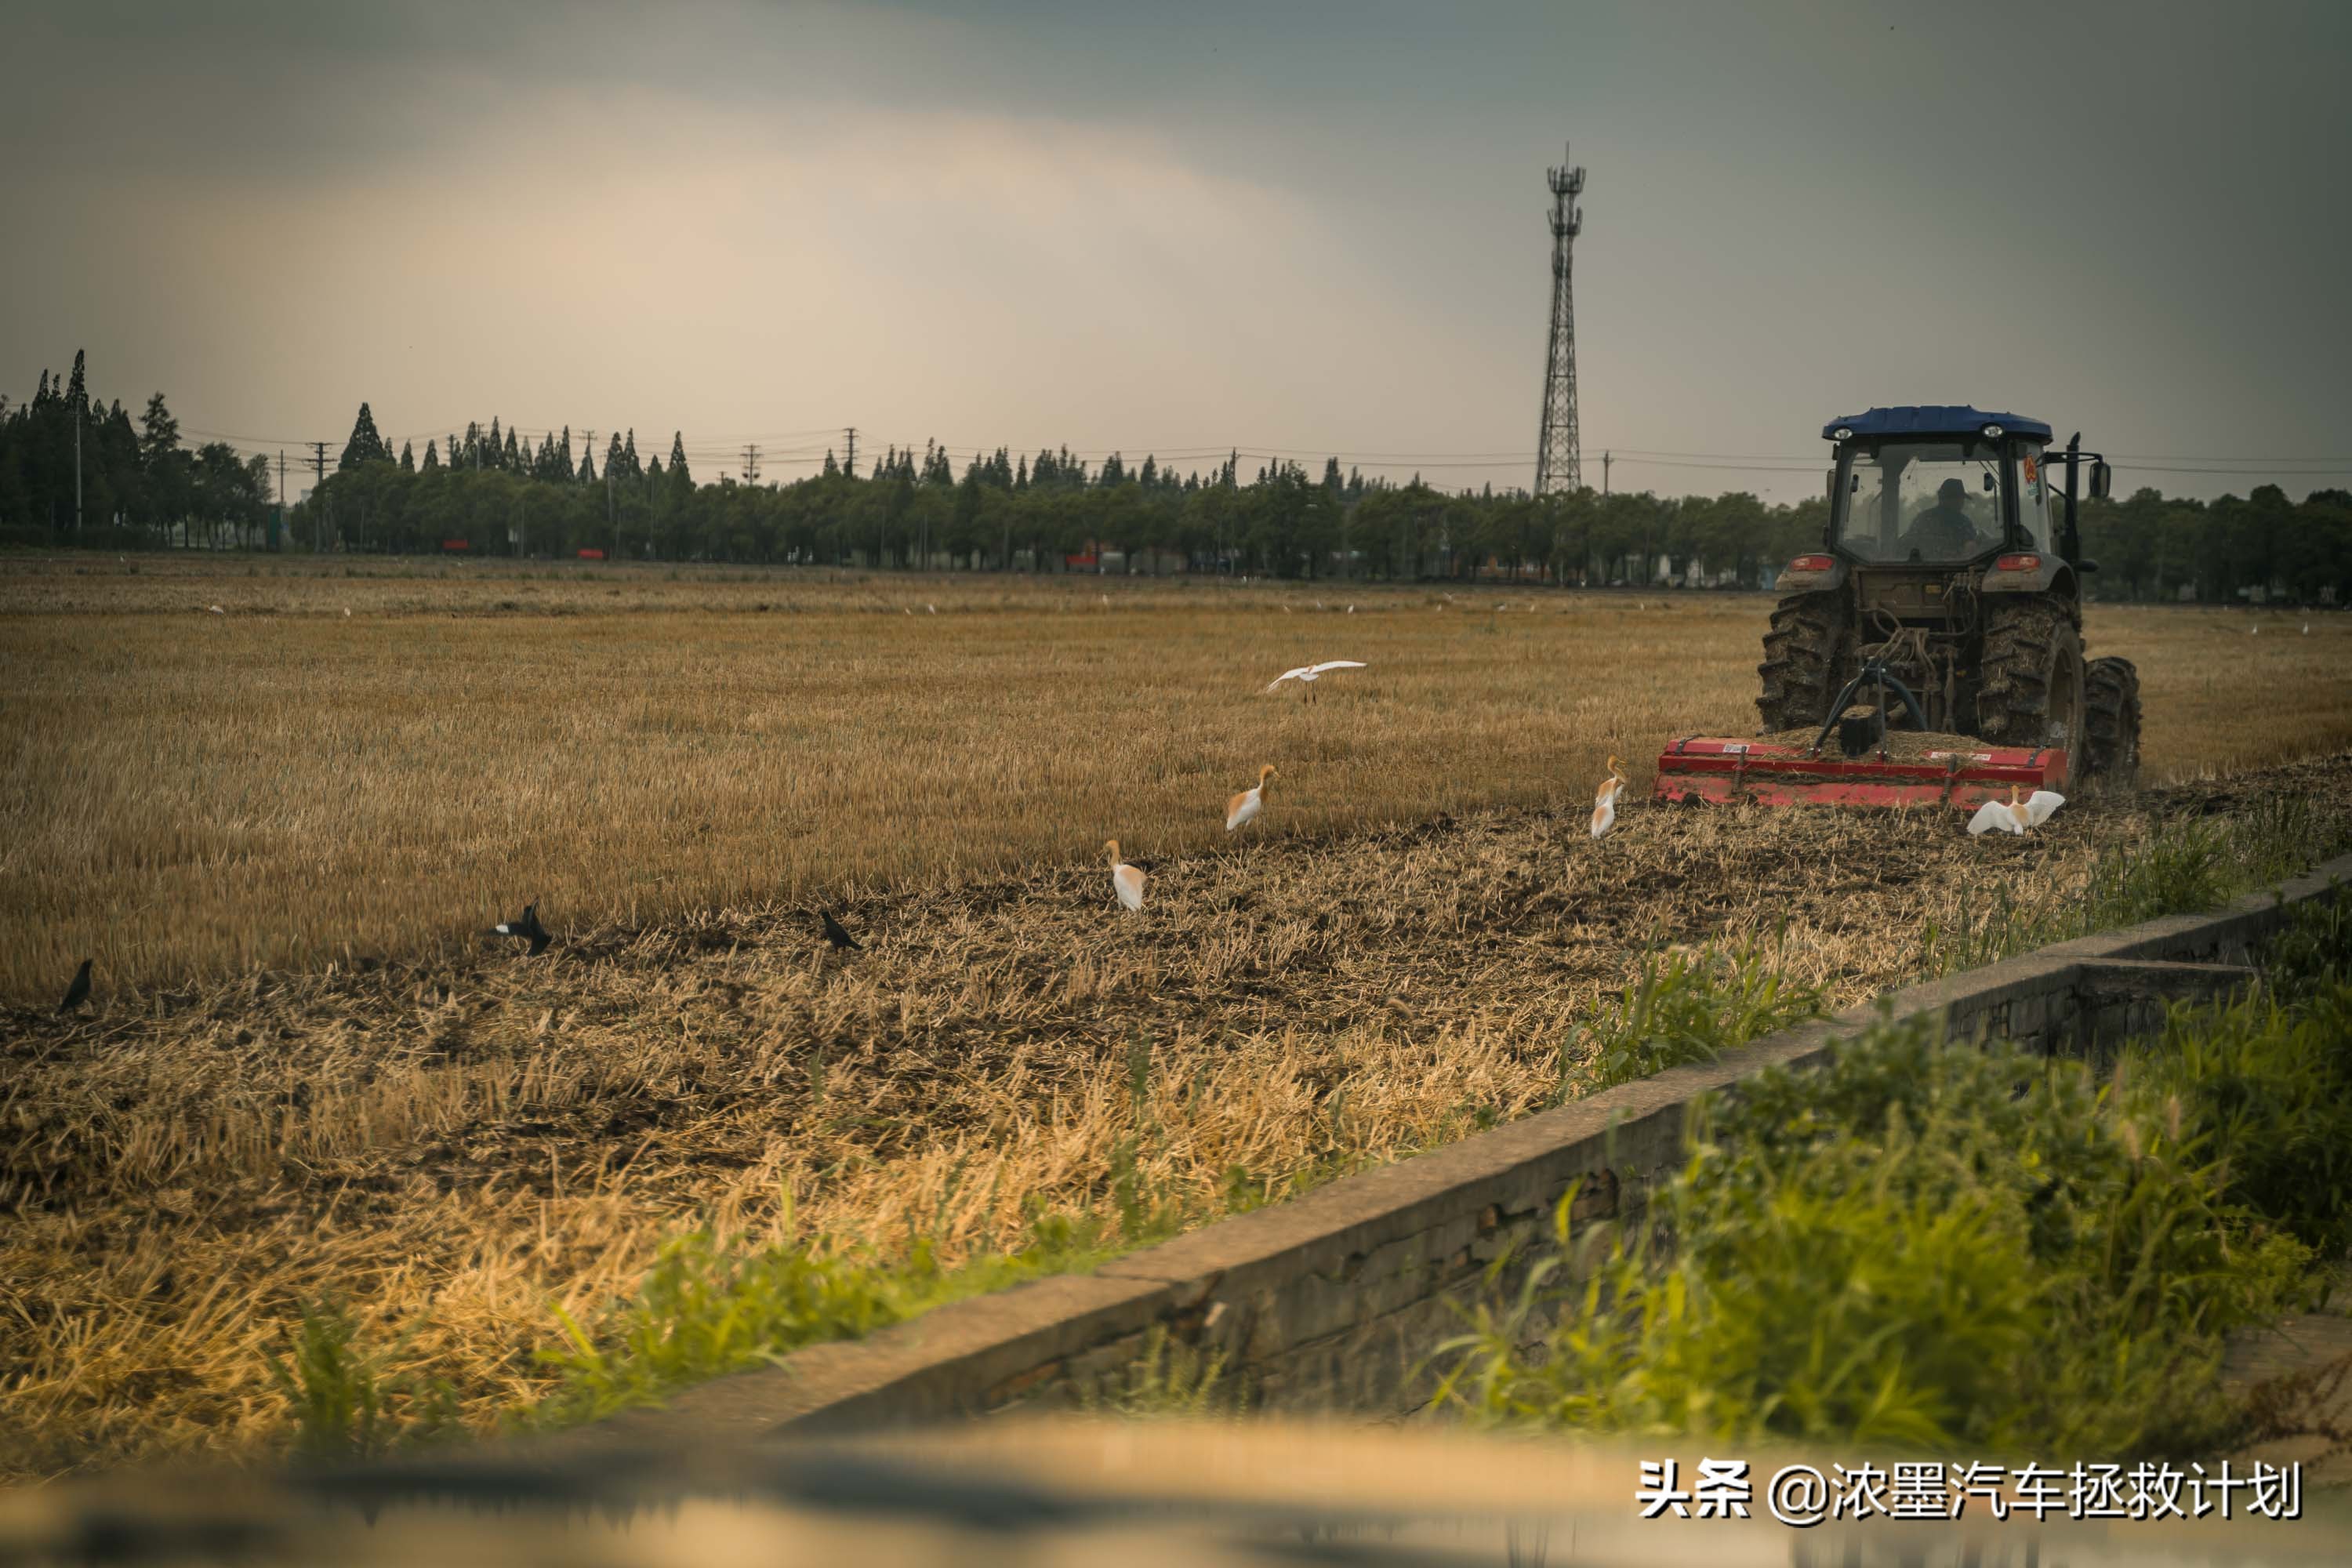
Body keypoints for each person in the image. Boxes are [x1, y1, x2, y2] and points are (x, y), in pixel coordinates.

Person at [1900, 476, 1986, 558]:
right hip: (1947, 568)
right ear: (1945, 498)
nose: (1961, 502)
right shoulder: (1963, 522)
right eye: (1958, 498)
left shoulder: (1923, 518)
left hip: (1933, 568)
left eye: (1961, 499)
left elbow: (1970, 547)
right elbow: (1909, 545)